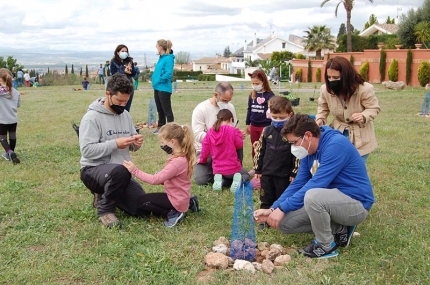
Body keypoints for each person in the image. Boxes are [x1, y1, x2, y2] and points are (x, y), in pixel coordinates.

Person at [253, 114, 374, 259]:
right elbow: (298, 183)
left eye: (294, 142)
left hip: (356, 205)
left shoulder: (335, 145)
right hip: (328, 202)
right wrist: (274, 208)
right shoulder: (308, 151)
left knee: (312, 195)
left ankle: (326, 245)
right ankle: (339, 228)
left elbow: (316, 184)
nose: (293, 147)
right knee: (284, 223)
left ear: (308, 135)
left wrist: (282, 208)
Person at [79, 73, 145, 228]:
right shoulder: (91, 118)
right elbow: (87, 151)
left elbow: (131, 146)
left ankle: (105, 194)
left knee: (141, 206)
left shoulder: (126, 115)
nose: (122, 105)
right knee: (121, 171)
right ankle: (105, 210)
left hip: (120, 173)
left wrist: (136, 142)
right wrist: (114, 143)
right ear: (108, 94)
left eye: (126, 102)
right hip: (93, 170)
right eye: (119, 101)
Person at [123, 123, 199, 228]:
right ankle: (189, 203)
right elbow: (177, 178)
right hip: (180, 197)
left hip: (175, 200)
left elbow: (154, 180)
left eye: (162, 142)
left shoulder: (177, 162)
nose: (162, 145)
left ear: (172, 142)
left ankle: (176, 212)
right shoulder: (183, 156)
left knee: (143, 202)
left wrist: (134, 170)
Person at [316, 56, 381, 163]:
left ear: (346, 76)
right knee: (337, 166)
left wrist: (364, 115)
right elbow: (323, 107)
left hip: (360, 136)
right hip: (337, 133)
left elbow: (373, 108)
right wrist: (320, 118)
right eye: (329, 77)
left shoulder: (365, 89)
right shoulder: (325, 89)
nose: (331, 80)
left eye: (336, 78)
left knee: (355, 169)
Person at [253, 96, 299, 229]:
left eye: (281, 117)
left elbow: (297, 155)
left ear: (289, 115)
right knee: (266, 197)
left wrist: (293, 172)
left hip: (283, 174)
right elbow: (260, 150)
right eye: (274, 117)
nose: (277, 120)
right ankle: (264, 219)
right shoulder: (267, 131)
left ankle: (280, 219)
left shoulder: (292, 133)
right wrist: (258, 169)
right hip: (267, 173)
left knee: (281, 196)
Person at [192, 82, 240, 186]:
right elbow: (197, 135)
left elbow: (234, 127)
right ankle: (226, 174)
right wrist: (217, 137)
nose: (226, 103)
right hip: (206, 150)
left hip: (227, 150)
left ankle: (228, 172)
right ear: (216, 95)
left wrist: (237, 135)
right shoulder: (201, 109)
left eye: (228, 101)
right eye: (224, 100)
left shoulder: (230, 107)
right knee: (201, 180)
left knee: (243, 175)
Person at [199, 109, 249, 192]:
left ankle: (221, 181)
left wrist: (202, 160)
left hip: (217, 169)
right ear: (230, 119)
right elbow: (239, 144)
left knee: (225, 177)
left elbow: (205, 149)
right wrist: (239, 134)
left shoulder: (210, 132)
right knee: (245, 175)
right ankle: (237, 181)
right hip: (233, 167)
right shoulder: (231, 130)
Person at [245, 69, 275, 161]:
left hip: (265, 126)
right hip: (254, 126)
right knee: (255, 147)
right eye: (253, 83)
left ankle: (264, 167)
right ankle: (256, 167)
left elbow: (272, 112)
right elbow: (249, 109)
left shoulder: (270, 95)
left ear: (263, 81)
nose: (254, 86)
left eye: (257, 83)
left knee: (265, 147)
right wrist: (247, 124)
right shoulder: (252, 95)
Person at [151, 39, 175, 134]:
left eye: (156, 46)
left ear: (160, 47)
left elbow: (168, 74)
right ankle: (161, 127)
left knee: (166, 109)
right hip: (157, 87)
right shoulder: (161, 58)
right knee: (160, 109)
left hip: (164, 88)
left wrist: (160, 79)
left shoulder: (168, 58)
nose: (156, 48)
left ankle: (172, 129)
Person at [0, 68, 21, 164]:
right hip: (13, 119)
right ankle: (12, 153)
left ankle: (9, 152)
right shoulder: (16, 92)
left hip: (2, 120)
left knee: (2, 137)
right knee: (13, 136)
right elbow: (18, 105)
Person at [110, 44, 136, 112]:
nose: (124, 52)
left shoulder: (129, 61)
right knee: (118, 107)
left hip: (129, 85)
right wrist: (124, 71)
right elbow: (114, 75)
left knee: (127, 107)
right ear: (118, 52)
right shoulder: (113, 62)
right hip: (118, 86)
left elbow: (134, 73)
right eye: (122, 51)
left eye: (126, 51)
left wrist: (130, 71)